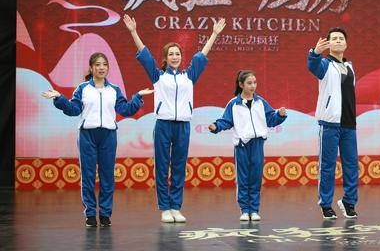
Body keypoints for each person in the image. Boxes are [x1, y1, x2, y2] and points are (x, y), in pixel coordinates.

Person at [123, 14, 225, 223]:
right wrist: (133, 31)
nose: (175, 57)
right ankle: (165, 208)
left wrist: (214, 34)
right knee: (162, 166)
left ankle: (176, 207)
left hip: (183, 126)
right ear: (166, 58)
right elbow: (145, 56)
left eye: (177, 54)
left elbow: (201, 57)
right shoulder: (158, 76)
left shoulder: (189, 76)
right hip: (163, 124)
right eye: (171, 54)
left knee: (179, 166)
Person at [42, 52, 152, 228]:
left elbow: (125, 109)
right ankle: (90, 214)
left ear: (108, 68)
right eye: (98, 65)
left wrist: (137, 97)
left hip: (108, 136)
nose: (101, 68)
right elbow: (73, 109)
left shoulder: (114, 89)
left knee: (107, 176)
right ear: (91, 68)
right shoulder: (83, 89)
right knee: (88, 176)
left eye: (104, 64)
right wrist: (59, 98)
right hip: (87, 136)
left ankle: (105, 214)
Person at [208, 70, 287, 221]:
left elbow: (271, 119)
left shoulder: (260, 102)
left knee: (256, 177)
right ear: (241, 84)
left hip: (258, 144)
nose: (253, 86)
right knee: (243, 178)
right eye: (249, 83)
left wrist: (280, 115)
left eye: (255, 83)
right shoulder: (234, 104)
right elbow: (226, 121)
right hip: (242, 145)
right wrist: (216, 126)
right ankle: (245, 210)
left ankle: (254, 210)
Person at [307, 27, 358, 220]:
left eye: (341, 38)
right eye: (334, 38)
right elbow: (313, 66)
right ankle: (326, 204)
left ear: (346, 43)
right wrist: (315, 53)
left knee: (351, 165)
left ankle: (349, 202)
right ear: (328, 44)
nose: (337, 41)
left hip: (349, 124)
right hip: (330, 124)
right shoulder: (325, 65)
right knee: (327, 166)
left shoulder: (350, 66)